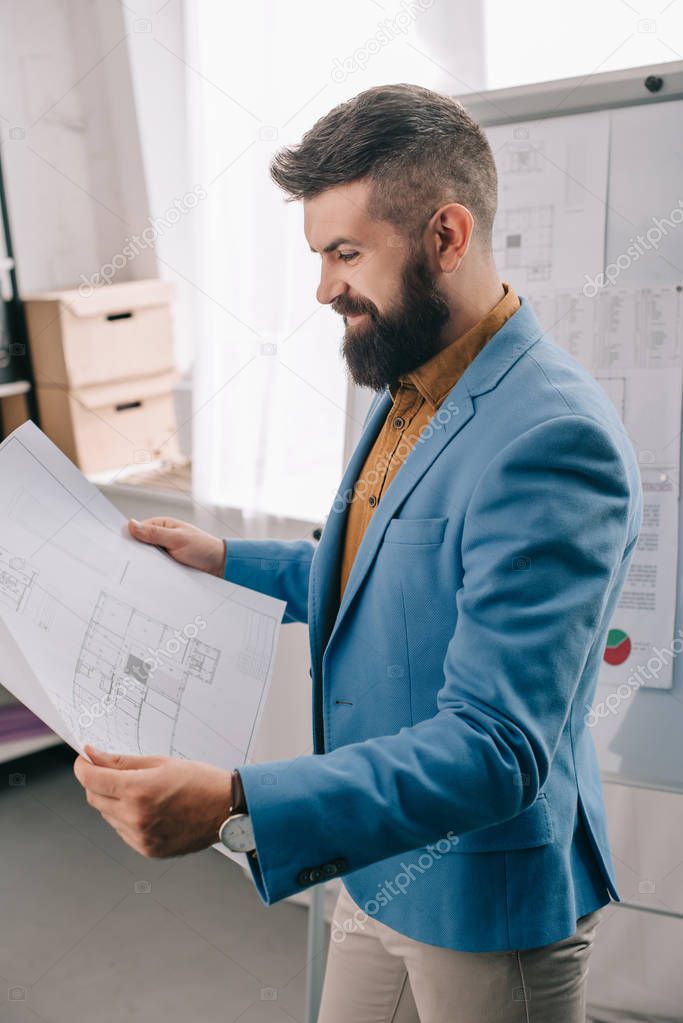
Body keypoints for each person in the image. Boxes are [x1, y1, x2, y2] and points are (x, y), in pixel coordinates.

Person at [74, 84, 643, 1022]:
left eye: (345, 253)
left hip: (479, 892)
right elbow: (385, 578)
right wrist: (223, 557)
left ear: (446, 237)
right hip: (375, 864)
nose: (323, 288)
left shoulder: (550, 439)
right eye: (318, 255)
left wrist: (237, 799)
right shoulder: (412, 383)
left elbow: (496, 748)